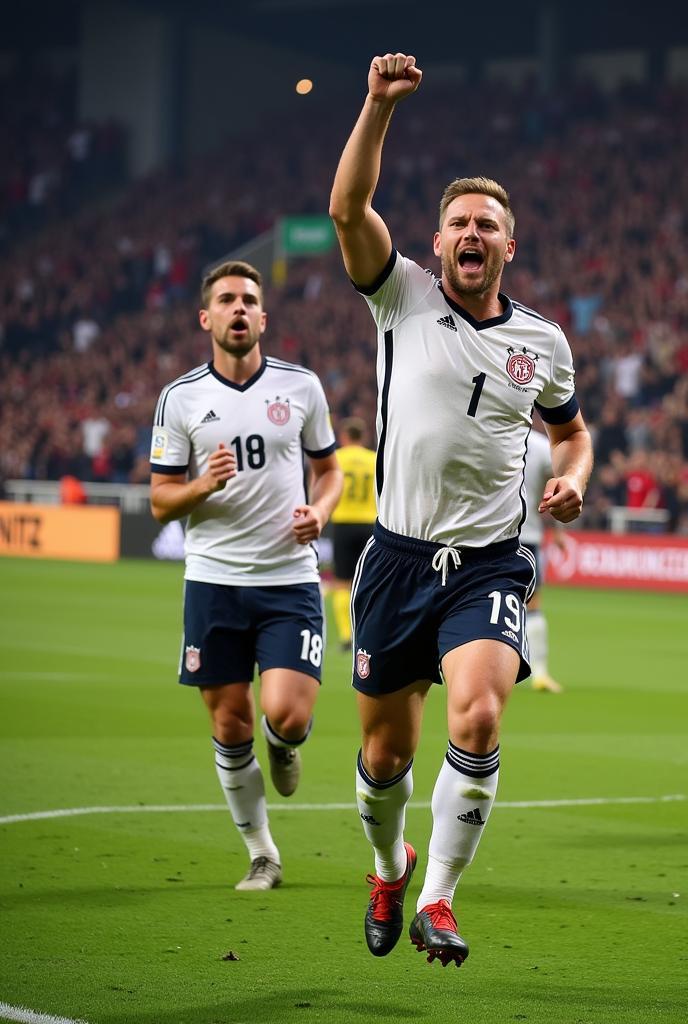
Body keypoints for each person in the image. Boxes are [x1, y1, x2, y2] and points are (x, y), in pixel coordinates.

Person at [328, 52, 592, 967]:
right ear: (436, 243)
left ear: (509, 246)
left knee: (477, 719)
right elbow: (347, 210)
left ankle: (438, 898)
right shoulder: (400, 296)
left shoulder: (544, 342)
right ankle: (388, 866)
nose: (471, 233)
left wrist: (575, 474)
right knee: (384, 762)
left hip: (487, 563)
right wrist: (376, 107)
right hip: (396, 560)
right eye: (457, 222)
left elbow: (575, 430)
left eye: (487, 224)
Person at [149, 260, 341, 891]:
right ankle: (263, 854)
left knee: (284, 714)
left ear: (264, 317)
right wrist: (202, 484)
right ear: (207, 317)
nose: (238, 309)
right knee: (228, 723)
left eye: (248, 300)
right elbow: (160, 500)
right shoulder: (181, 399)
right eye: (226, 299)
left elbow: (330, 470)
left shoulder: (302, 387)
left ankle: (283, 743)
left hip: (288, 579)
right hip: (213, 581)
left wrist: (322, 508)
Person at [521, 419, 569, 693]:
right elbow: (555, 493)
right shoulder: (540, 446)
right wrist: (559, 531)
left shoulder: (485, 434)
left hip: (485, 538)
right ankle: (539, 673)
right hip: (527, 538)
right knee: (533, 605)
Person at [329, 416, 377, 651]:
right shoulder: (374, 459)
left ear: (344, 437)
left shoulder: (336, 458)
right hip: (369, 525)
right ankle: (368, 632)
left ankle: (347, 636)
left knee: (341, 584)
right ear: (364, 436)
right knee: (370, 582)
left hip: (343, 524)